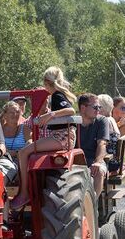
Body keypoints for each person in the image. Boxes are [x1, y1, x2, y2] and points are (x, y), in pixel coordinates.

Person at [11, 66, 76, 209]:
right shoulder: (58, 95)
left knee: (23, 152)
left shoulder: (56, 95)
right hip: (61, 136)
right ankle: (29, 187)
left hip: (61, 137)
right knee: (30, 151)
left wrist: (51, 115)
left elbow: (71, 110)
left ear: (47, 83)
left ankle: (24, 193)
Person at [77, 93, 110, 196]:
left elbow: (102, 143)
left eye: (99, 107)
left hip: (94, 159)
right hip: (76, 161)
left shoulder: (101, 121)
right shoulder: (72, 122)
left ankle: (93, 205)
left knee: (98, 171)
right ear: (83, 108)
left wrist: (98, 162)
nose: (98, 110)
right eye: (95, 107)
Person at [98, 94, 125, 172]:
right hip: (115, 159)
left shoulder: (104, 120)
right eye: (123, 108)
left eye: (97, 107)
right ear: (113, 107)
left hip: (109, 160)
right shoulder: (111, 119)